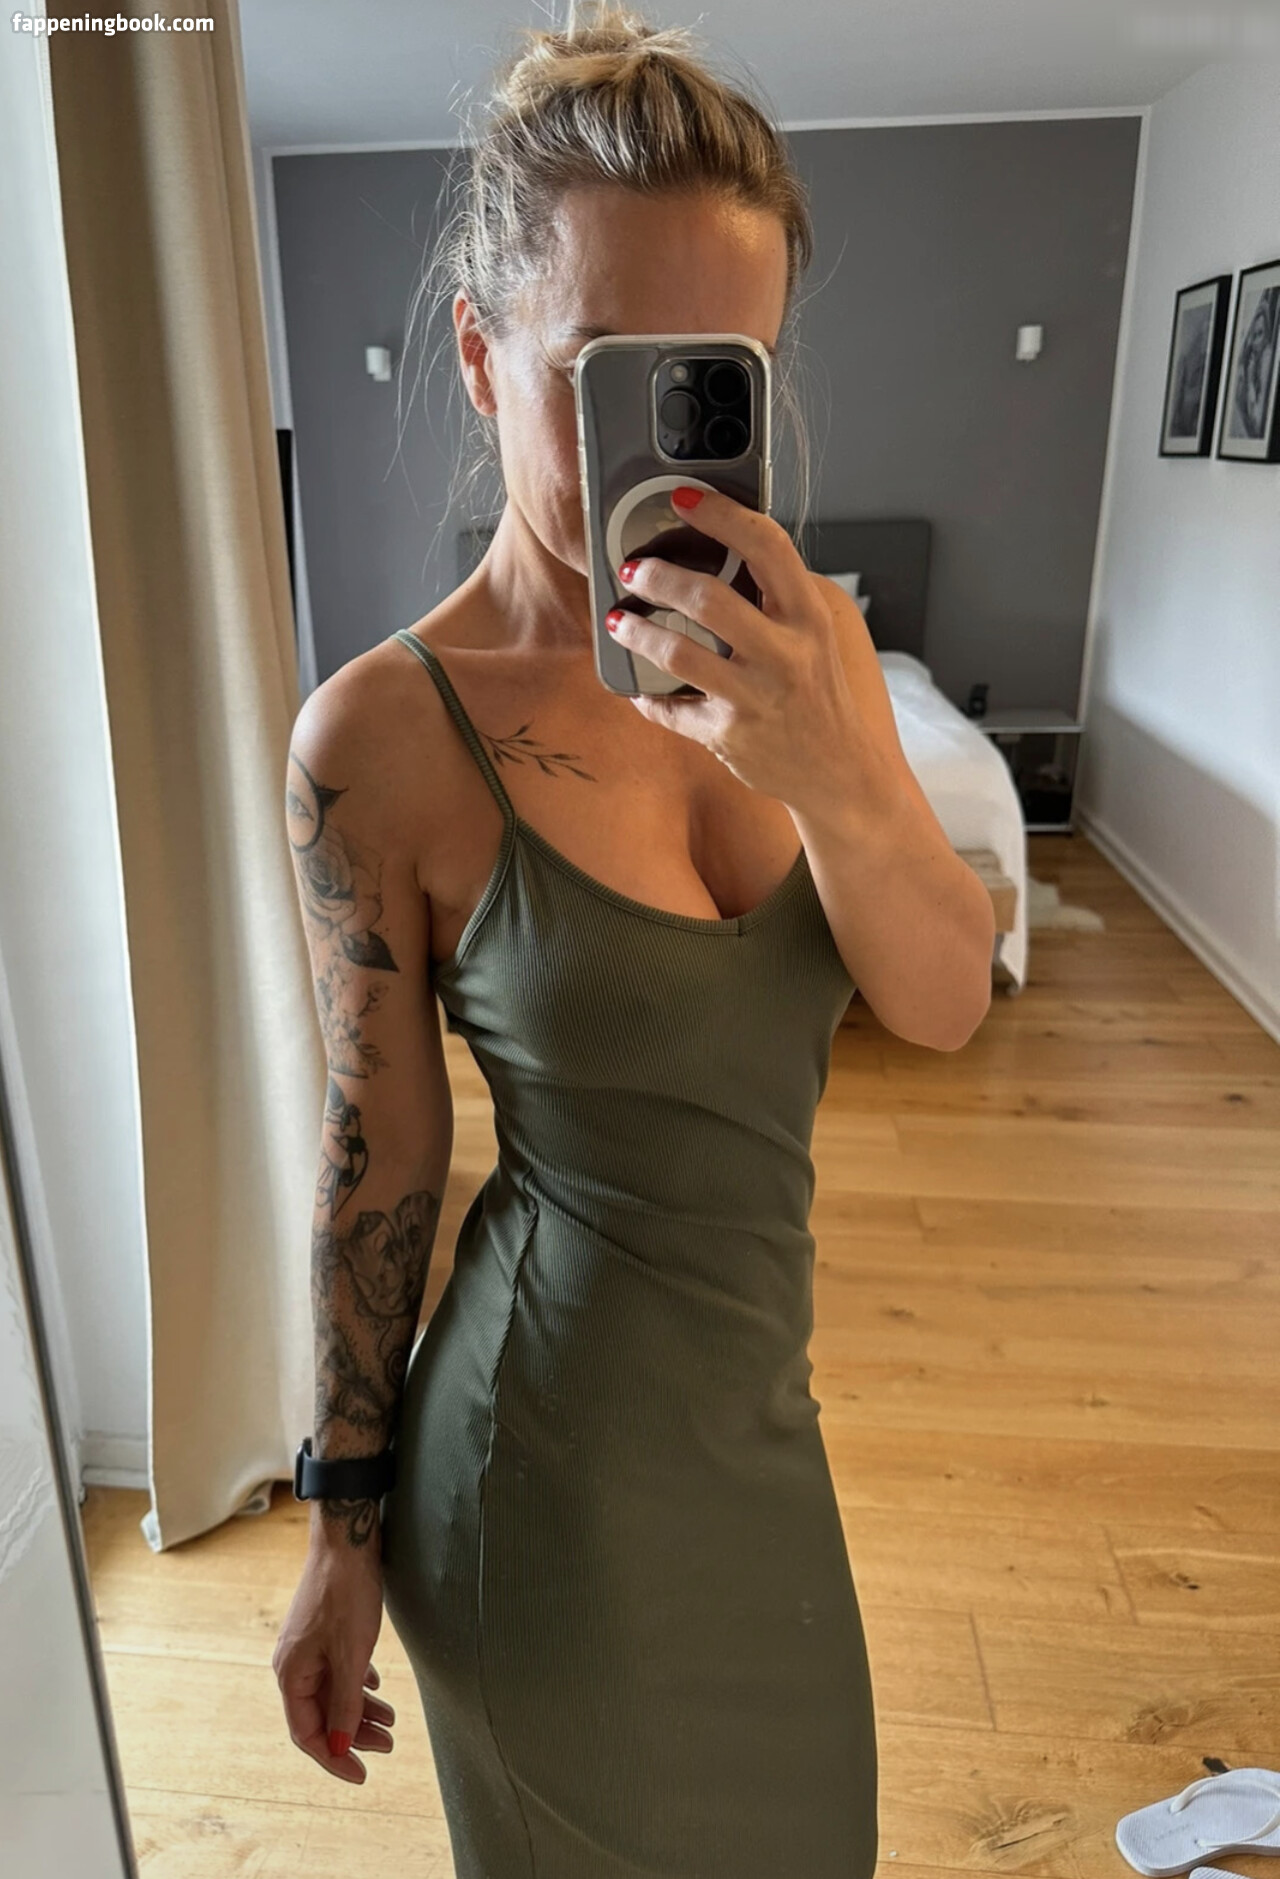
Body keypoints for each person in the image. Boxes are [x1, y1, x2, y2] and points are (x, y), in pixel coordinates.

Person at [272, 7, 995, 1876]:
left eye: (711, 374)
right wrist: (339, 1523)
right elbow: (381, 1152)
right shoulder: (384, 737)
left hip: (759, 1449)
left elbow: (939, 1006)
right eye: (603, 372)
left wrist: (837, 774)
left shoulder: (818, 653)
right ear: (478, 352)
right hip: (541, 1485)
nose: (654, 444)